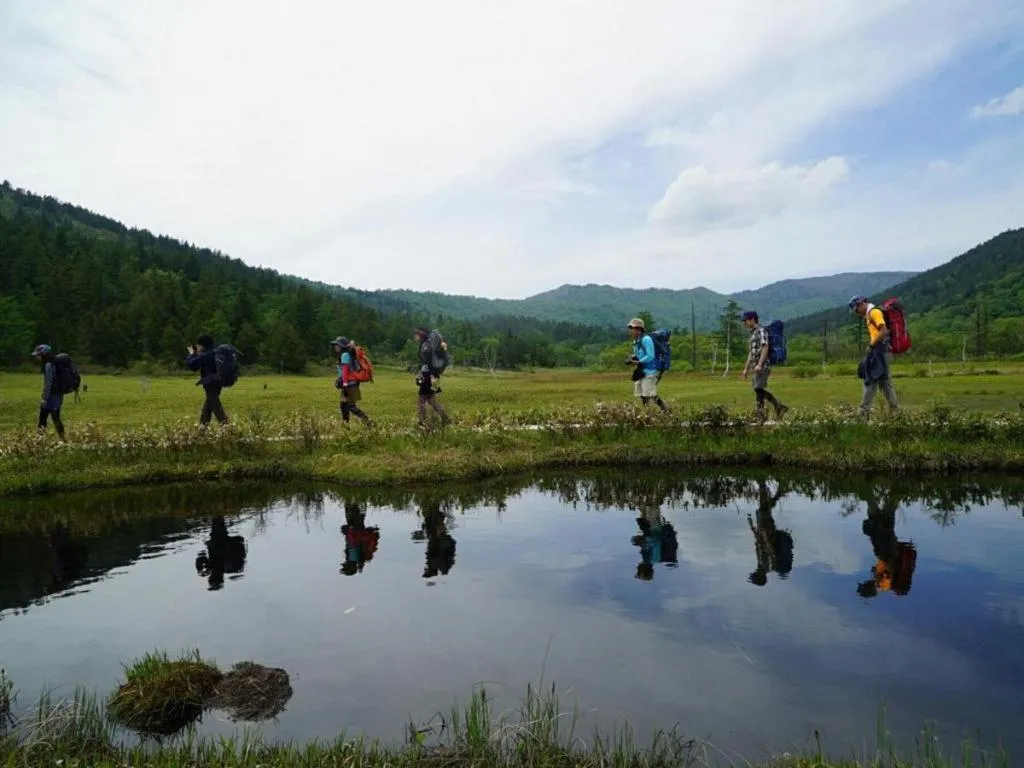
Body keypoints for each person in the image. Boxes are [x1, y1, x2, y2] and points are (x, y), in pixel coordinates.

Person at [849, 296, 899, 418]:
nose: (856, 313)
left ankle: (862, 413)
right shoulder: (869, 314)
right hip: (882, 351)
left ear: (861, 304)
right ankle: (896, 413)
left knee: (870, 380)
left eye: (856, 310)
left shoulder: (874, 312)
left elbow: (884, 331)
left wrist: (871, 345)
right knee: (885, 384)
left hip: (880, 351)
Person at [740, 311, 788, 421]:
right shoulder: (753, 333)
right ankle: (765, 413)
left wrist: (760, 364)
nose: (744, 323)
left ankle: (772, 409)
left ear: (752, 319)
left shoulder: (761, 330)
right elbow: (751, 353)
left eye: (745, 320)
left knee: (758, 388)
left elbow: (765, 347)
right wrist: (745, 369)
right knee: (758, 389)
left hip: (762, 365)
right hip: (755, 366)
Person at [746, 479, 793, 586]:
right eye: (755, 574)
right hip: (767, 531)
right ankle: (764, 486)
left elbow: (759, 544)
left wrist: (752, 528)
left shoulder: (762, 564)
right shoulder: (768, 565)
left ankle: (773, 491)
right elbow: (770, 550)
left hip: (763, 531)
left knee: (763, 509)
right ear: (760, 575)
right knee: (763, 509)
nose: (754, 571)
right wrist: (764, 535)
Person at [185, 334, 228, 426]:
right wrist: (197, 353)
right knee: (208, 407)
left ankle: (226, 427)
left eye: (199, 345)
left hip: (210, 383)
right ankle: (202, 428)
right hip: (219, 382)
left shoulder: (205, 355)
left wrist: (192, 354)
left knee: (216, 406)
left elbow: (192, 365)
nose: (198, 347)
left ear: (203, 345)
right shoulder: (216, 353)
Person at [626, 318, 668, 412]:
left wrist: (638, 362)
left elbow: (650, 355)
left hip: (651, 371)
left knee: (649, 394)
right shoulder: (636, 341)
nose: (631, 331)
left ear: (639, 329)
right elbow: (639, 355)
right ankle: (649, 413)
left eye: (632, 328)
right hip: (642, 371)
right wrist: (633, 358)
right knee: (642, 394)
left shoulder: (646, 339)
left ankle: (665, 410)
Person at [631, 503, 679, 581]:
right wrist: (643, 541)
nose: (637, 568)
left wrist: (641, 542)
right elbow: (656, 541)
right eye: (639, 571)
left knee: (642, 504)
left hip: (649, 527)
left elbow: (649, 544)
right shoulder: (654, 559)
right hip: (654, 527)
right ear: (644, 569)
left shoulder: (646, 559)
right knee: (652, 503)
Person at [414, 327, 451, 428]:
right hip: (434, 376)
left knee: (421, 399)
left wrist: (430, 376)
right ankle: (446, 419)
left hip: (429, 376)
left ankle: (423, 422)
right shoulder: (429, 345)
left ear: (421, 335)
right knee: (432, 400)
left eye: (416, 334)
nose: (415, 336)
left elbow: (429, 363)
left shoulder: (426, 347)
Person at [331, 337, 372, 426]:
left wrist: (345, 383)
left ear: (341, 346)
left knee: (350, 406)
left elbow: (345, 370)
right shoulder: (346, 354)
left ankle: (368, 422)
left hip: (350, 383)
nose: (335, 346)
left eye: (337, 345)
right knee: (343, 404)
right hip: (350, 383)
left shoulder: (345, 355)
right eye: (335, 345)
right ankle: (345, 424)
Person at [32, 344, 66, 441]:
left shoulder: (48, 365)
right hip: (59, 394)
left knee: (43, 418)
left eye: (38, 355)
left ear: (44, 354)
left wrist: (45, 398)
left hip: (51, 395)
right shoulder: (54, 363)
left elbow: (48, 383)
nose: (37, 357)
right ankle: (63, 439)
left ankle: (40, 441)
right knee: (56, 418)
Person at [340, 501, 380, 575]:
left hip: (356, 529)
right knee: (355, 511)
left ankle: (357, 499)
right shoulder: (353, 558)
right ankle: (357, 499)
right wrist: (349, 530)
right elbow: (354, 542)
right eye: (345, 565)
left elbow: (352, 543)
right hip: (356, 529)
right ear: (350, 566)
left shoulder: (356, 559)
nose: (344, 563)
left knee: (357, 513)